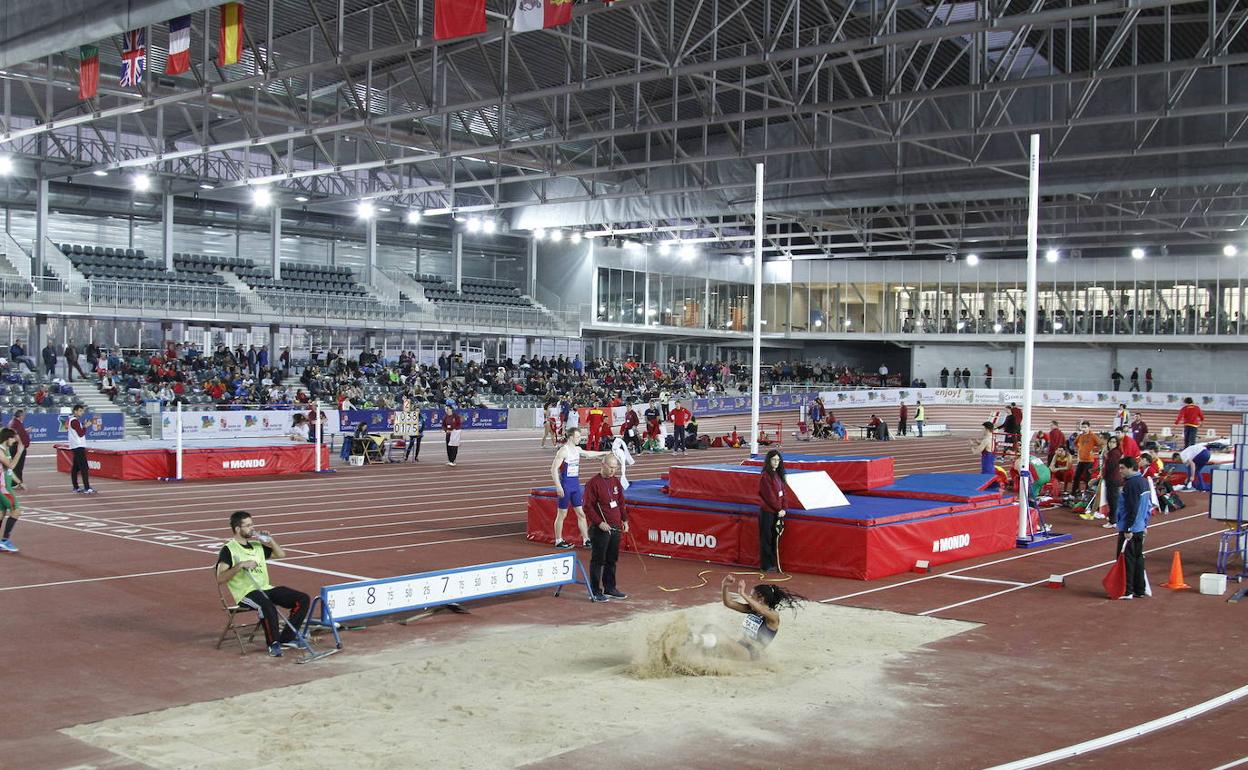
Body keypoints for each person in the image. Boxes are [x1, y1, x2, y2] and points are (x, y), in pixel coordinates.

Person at [215, 511, 309, 657]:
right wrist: (240, 565)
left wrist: (270, 540)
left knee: (302, 599)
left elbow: (281, 554)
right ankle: (273, 643)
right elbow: (220, 578)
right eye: (248, 525)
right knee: (266, 605)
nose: (252, 528)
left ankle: (287, 638)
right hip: (246, 593)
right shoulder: (229, 549)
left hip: (266, 588)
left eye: (252, 524)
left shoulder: (257, 546)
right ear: (238, 529)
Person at [695, 574, 803, 661]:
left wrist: (742, 593)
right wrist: (725, 586)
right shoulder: (752, 609)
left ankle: (694, 641)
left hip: (749, 654)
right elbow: (729, 603)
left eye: (752, 596)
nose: (749, 598)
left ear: (761, 599)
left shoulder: (773, 615)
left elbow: (762, 610)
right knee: (710, 628)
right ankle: (697, 650)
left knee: (723, 640)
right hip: (739, 646)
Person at [550, 427, 609, 549]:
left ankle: (586, 540)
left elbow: (589, 454)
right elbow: (553, 469)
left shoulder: (577, 449)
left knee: (581, 514)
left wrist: (606, 453)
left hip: (575, 486)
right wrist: (558, 486)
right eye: (577, 437)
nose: (579, 439)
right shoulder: (563, 451)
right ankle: (558, 540)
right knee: (562, 514)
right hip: (565, 486)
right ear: (571, 437)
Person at [582, 455, 629, 601]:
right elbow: (587, 507)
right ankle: (595, 591)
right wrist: (599, 522)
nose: (613, 470)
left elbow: (621, 502)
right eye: (611, 467)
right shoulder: (593, 483)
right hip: (601, 529)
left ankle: (610, 588)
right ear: (603, 465)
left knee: (611, 559)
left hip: (615, 527)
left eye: (615, 468)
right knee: (598, 560)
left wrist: (625, 519)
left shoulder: (616, 481)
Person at [1115, 457, 1152, 599]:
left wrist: (1128, 528)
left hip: (1130, 528)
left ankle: (1127, 590)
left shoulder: (1131, 484)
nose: (1120, 471)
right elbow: (1147, 506)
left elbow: (1132, 507)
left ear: (1131, 467)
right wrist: (1145, 524)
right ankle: (1139, 589)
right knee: (1138, 558)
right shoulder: (1144, 481)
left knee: (1126, 560)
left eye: (1122, 468)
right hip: (1140, 527)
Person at [757, 449, 786, 572]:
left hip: (777, 512)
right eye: (773, 460)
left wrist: (784, 508)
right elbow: (769, 496)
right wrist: (779, 509)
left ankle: (773, 562)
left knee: (774, 538)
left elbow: (783, 493)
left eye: (778, 460)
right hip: (768, 512)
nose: (776, 462)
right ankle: (766, 565)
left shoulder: (779, 475)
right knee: (766, 538)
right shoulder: (765, 476)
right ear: (769, 461)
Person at [0, 428, 26, 553]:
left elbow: (8, 471)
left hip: (6, 486)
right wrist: (19, 452)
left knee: (1, 513)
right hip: (3, 488)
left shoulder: (6, 450)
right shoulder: (0, 451)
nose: (14, 441)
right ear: (7, 438)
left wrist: (19, 482)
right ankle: (5, 541)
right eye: (13, 439)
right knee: (16, 511)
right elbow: (11, 465)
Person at [67, 404, 96, 494]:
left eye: (82, 411)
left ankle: (76, 487)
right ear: (75, 411)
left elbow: (78, 431)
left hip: (76, 446)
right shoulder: (74, 421)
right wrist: (85, 426)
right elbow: (80, 433)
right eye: (80, 411)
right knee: (84, 467)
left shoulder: (73, 421)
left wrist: (83, 425)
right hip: (78, 446)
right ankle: (87, 487)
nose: (82, 412)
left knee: (75, 468)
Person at [1072, 421, 1101, 495]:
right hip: (1081, 460)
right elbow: (1075, 443)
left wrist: (1094, 450)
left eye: (1085, 427)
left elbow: (1100, 443)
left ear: (1089, 428)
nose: (1083, 429)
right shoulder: (1080, 436)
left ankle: (1087, 493)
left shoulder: (1092, 435)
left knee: (1087, 477)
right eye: (1082, 427)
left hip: (1089, 460)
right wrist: (1079, 448)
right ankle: (1074, 491)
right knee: (1076, 476)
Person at [7, 409, 29, 485]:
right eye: (23, 415)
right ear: (20, 415)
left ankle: (18, 482)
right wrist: (20, 443)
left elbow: (18, 433)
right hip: (17, 447)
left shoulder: (16, 422)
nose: (24, 416)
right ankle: (15, 483)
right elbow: (14, 434)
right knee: (17, 466)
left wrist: (26, 431)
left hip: (18, 447)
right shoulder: (15, 423)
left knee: (19, 466)